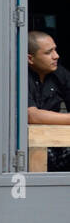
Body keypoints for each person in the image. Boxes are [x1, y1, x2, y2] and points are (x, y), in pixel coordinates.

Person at [27, 30, 70, 172]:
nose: (56, 56)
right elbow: (31, 115)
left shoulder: (60, 73)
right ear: (30, 59)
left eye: (55, 50)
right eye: (48, 52)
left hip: (57, 142)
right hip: (26, 148)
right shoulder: (20, 75)